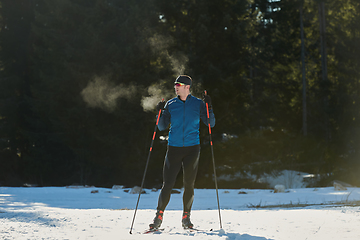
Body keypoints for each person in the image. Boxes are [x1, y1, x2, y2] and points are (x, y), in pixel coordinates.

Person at [149, 75, 215, 230]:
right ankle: (158, 217)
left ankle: (186, 217)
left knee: (189, 184)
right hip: (174, 148)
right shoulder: (171, 104)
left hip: (192, 149)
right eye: (175, 84)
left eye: (179, 84)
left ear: (187, 87)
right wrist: (159, 112)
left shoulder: (198, 104)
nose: (176, 87)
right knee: (168, 184)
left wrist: (209, 107)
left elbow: (210, 123)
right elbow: (161, 126)